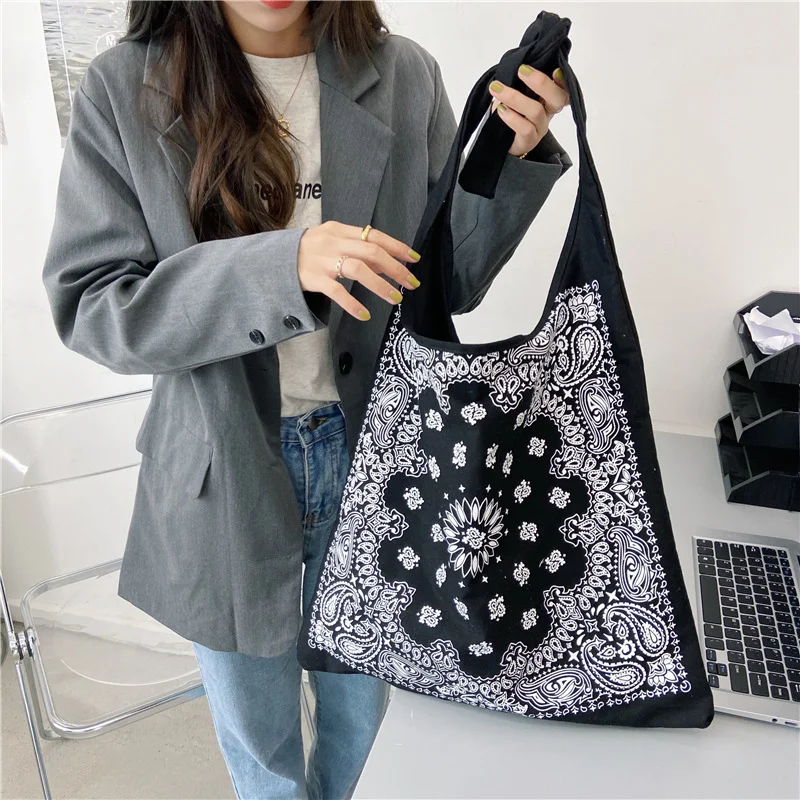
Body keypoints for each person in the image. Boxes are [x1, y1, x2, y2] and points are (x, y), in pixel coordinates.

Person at [41, 1, 571, 797]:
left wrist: (510, 152)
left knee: (365, 725)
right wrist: (280, 268)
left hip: (379, 457)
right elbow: (94, 305)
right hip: (222, 466)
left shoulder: (402, 75)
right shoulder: (126, 87)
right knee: (262, 745)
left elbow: (444, 285)